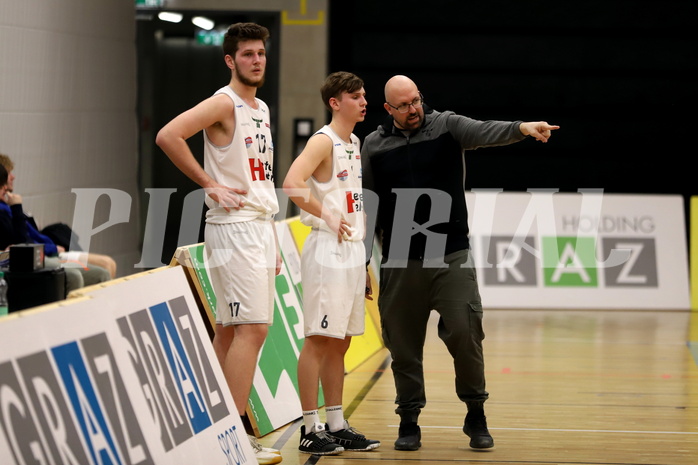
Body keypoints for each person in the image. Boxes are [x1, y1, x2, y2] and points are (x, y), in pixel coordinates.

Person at [360, 75, 560, 451]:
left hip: (451, 254)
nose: (413, 109)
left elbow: (485, 131)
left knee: (466, 335)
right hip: (399, 262)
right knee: (402, 347)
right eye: (403, 105)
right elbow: (367, 208)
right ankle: (409, 420)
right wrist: (361, 263)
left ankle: (475, 413)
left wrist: (522, 128)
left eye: (416, 100)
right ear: (388, 109)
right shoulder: (373, 145)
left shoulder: (446, 126)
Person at [155, 22, 282, 465]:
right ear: (230, 60)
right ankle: (235, 437)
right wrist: (209, 183)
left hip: (259, 226)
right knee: (254, 329)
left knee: (230, 331)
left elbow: (259, 177)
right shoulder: (222, 102)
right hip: (234, 227)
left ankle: (214, 435)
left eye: (260, 53)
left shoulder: (261, 108)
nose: (256, 60)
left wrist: (274, 238)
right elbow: (168, 135)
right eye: (247, 54)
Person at [283, 71, 380, 455]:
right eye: (356, 96)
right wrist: (325, 214)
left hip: (352, 252)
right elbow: (292, 183)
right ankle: (310, 427)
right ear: (335, 103)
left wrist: (365, 262)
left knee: (340, 342)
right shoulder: (323, 141)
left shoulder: (354, 141)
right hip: (326, 248)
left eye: (364, 95)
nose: (364, 101)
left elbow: (353, 206)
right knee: (319, 341)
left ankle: (336, 423)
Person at [0, 154, 113, 292]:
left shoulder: (11, 205)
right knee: (97, 268)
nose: (12, 177)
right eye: (8, 174)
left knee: (104, 270)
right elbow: (22, 243)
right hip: (42, 254)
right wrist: (52, 248)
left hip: (47, 251)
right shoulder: (9, 209)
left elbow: (30, 236)